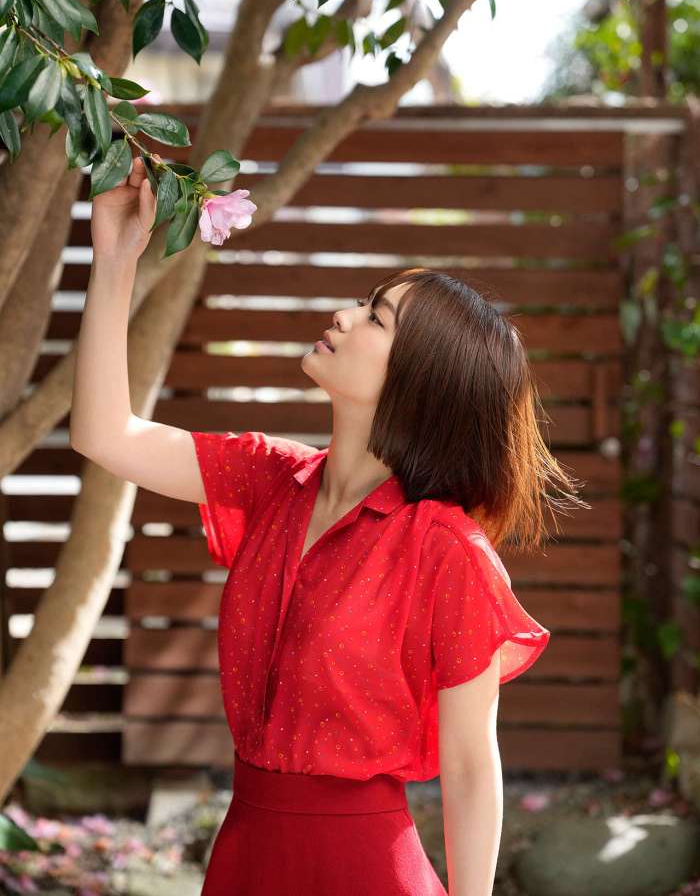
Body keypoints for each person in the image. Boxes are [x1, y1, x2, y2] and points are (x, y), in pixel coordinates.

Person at [71, 156, 588, 895]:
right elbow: (104, 434)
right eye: (363, 302)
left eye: (376, 318)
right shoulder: (270, 480)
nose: (343, 316)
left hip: (366, 870)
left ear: (419, 382)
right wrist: (116, 256)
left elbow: (472, 765)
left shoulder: (446, 550)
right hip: (245, 855)